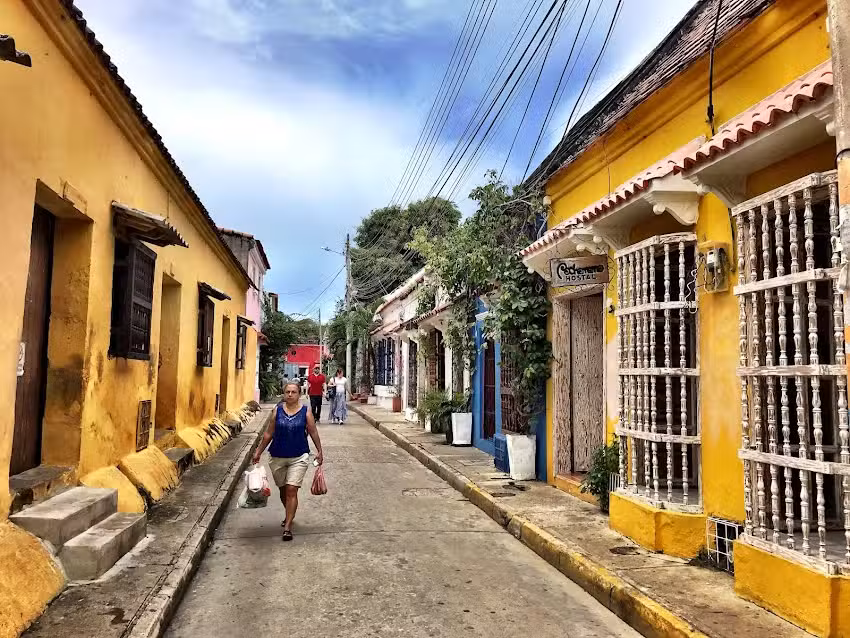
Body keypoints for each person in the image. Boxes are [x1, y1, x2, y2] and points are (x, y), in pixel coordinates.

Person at [252, 381, 323, 541]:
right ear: (284, 394)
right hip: (277, 456)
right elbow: (268, 434)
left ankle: (288, 527)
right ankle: (289, 513)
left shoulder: (306, 412)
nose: (290, 395)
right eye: (287, 392)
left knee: (291, 490)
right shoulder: (277, 411)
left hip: (299, 456)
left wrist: (319, 451)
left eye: (293, 392)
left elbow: (313, 432)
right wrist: (258, 452)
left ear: (299, 394)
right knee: (283, 490)